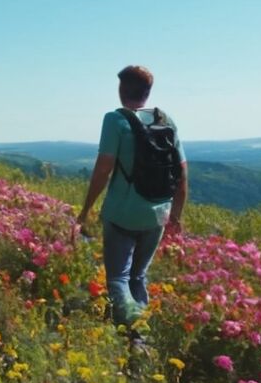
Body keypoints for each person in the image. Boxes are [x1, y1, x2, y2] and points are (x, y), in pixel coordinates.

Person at [77, 65, 188, 333]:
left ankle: (132, 332)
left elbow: (104, 169)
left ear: (121, 90)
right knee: (138, 276)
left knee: (118, 278)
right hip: (157, 214)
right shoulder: (165, 120)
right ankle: (143, 330)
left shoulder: (115, 120)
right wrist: (175, 217)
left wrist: (86, 210)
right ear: (148, 93)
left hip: (122, 212)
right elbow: (182, 174)